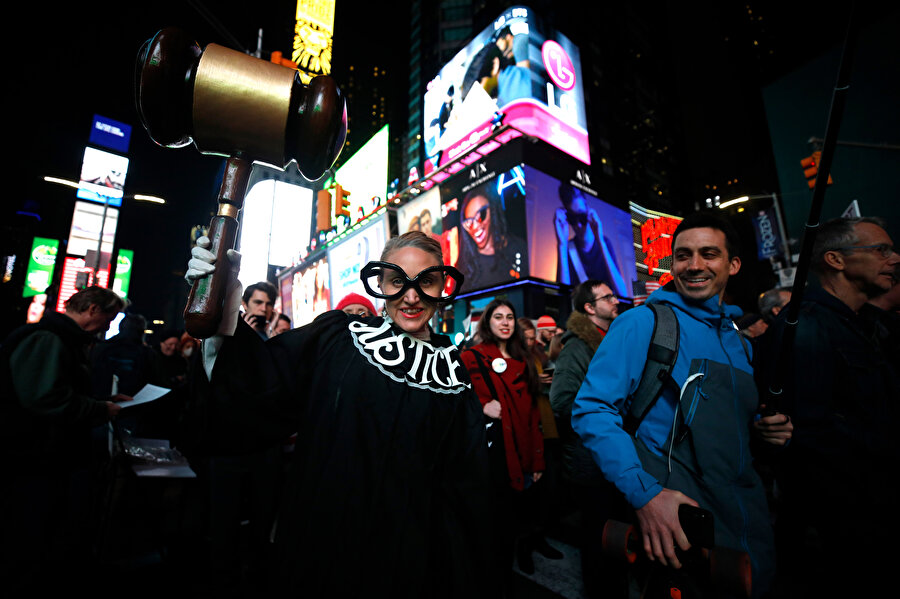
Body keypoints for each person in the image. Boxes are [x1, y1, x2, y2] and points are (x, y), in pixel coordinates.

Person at [184, 231, 490, 597]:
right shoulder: (338, 339)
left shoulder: (454, 375)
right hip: (322, 547)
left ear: (443, 285)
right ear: (380, 282)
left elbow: (466, 486)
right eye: (397, 281)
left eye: (426, 281)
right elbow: (258, 381)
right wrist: (221, 299)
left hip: (407, 563)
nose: (411, 296)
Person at [571, 212, 792, 598]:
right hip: (682, 531)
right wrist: (646, 494)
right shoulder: (643, 322)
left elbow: (725, 428)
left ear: (733, 264)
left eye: (709, 254)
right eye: (683, 255)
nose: (694, 265)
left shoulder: (739, 342)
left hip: (748, 526)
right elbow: (592, 409)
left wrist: (763, 431)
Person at [761, 217, 900, 597]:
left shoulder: (869, 324)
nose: (894, 258)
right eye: (881, 250)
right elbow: (810, 434)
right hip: (846, 530)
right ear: (836, 260)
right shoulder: (804, 328)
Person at [1, 286, 128, 593]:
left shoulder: (58, 338)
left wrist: (103, 400)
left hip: (42, 455)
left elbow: (58, 389)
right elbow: (44, 397)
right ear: (92, 309)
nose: (108, 326)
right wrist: (99, 409)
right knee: (31, 534)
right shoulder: (49, 338)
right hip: (33, 457)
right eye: (108, 318)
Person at [461, 299, 547, 592]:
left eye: (510, 317)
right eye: (498, 317)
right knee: (491, 527)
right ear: (488, 323)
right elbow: (456, 401)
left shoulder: (524, 360)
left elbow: (534, 415)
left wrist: (537, 460)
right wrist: (481, 407)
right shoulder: (472, 358)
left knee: (517, 520)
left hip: (522, 450)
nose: (505, 322)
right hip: (492, 454)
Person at [549, 279, 623, 597]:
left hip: (616, 457)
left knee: (618, 539)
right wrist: (608, 412)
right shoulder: (578, 346)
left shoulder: (613, 339)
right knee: (597, 540)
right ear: (590, 308)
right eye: (608, 297)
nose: (616, 301)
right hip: (590, 461)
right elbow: (562, 399)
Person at [556, 184, 628, 297]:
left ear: (588, 211)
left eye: (581, 217)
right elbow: (562, 296)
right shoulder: (568, 248)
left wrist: (600, 241)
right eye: (572, 219)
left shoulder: (604, 243)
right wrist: (561, 245)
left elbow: (622, 293)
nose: (578, 225)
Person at [457, 184, 528, 291]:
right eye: (469, 222)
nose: (475, 227)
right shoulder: (465, 268)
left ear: (493, 211)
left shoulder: (519, 247)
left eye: (481, 215)